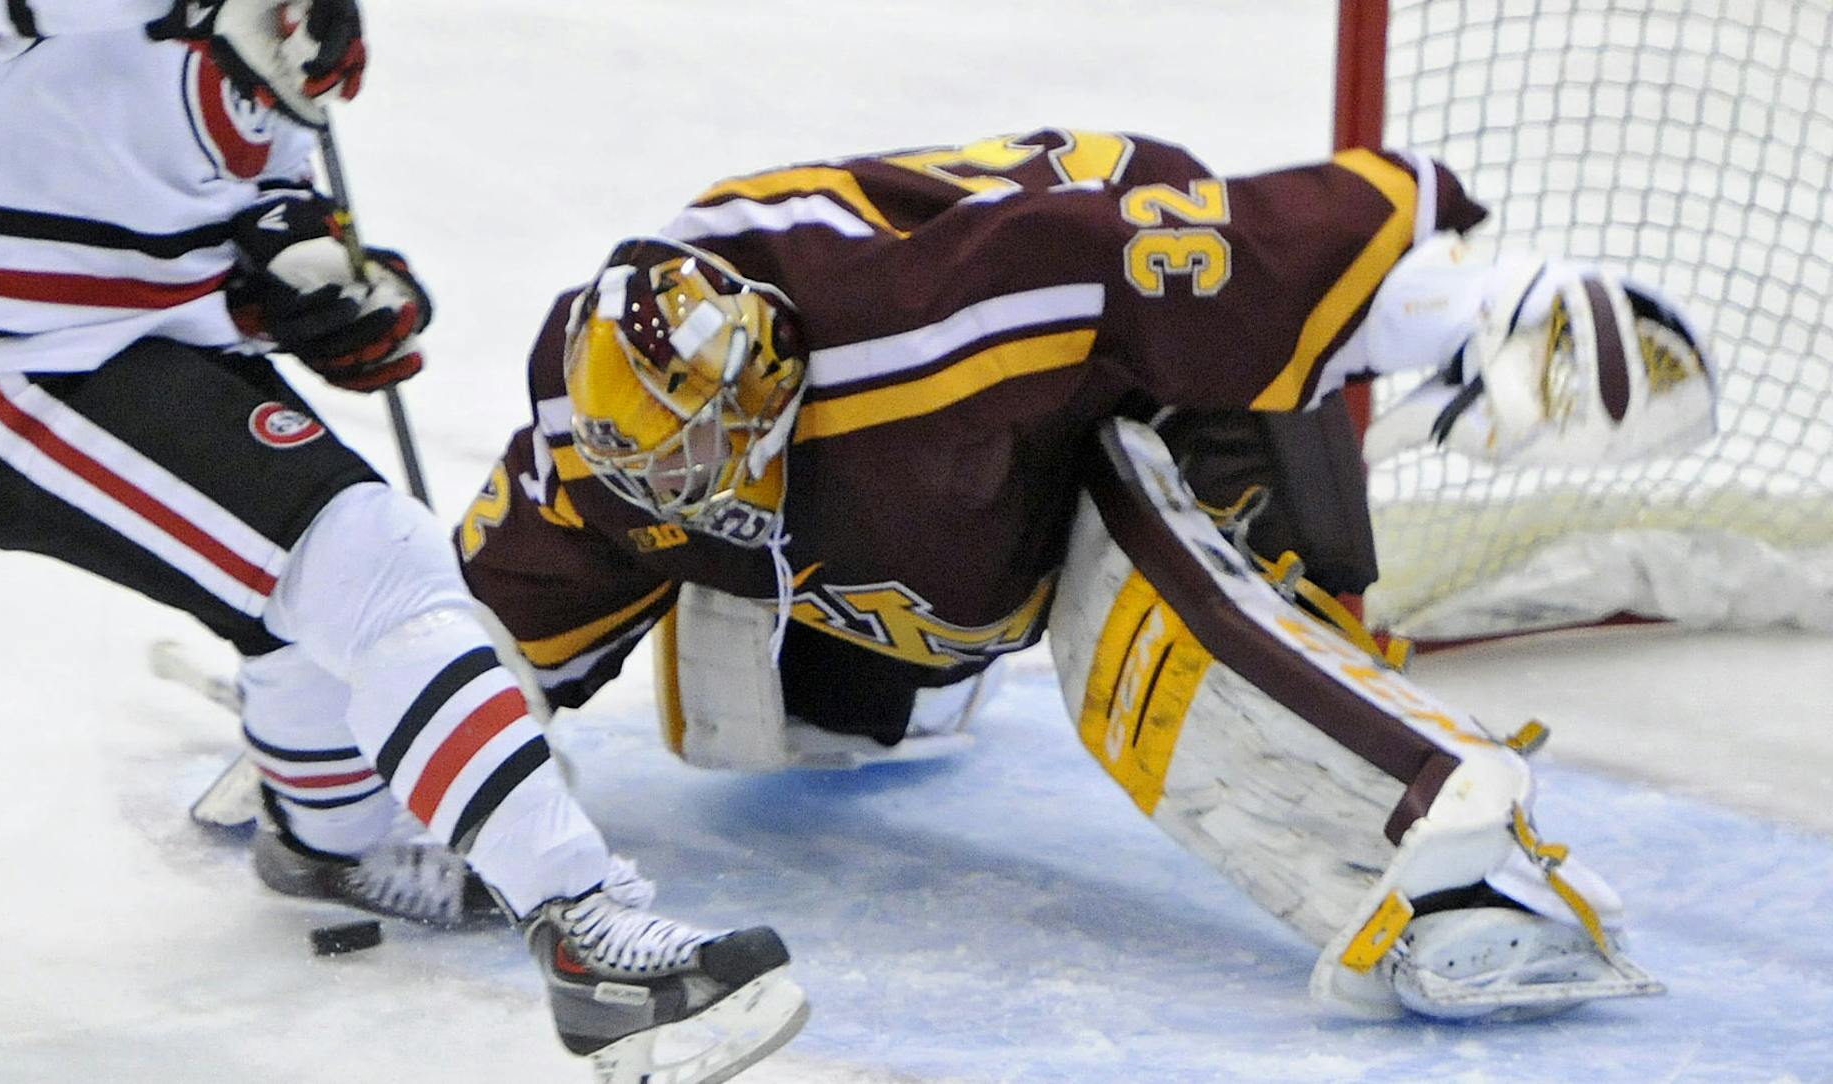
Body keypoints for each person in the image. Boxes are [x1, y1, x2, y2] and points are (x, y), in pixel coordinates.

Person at [0, 0, 807, 1082]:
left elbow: (267, 214)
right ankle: (595, 941)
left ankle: (339, 842)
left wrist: (327, 290)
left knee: (313, 600)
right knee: (376, 564)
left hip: (127, 344)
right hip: (6, 358)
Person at [454, 128, 1717, 1021]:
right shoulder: (595, 446)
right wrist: (353, 772)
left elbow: (1185, 250)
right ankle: (907, 677)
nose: (692, 484)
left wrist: (1472, 314)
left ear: (775, 374)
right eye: (658, 469)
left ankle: (1448, 853)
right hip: (950, 474)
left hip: (1150, 364)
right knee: (739, 692)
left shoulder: (932, 326)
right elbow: (472, 636)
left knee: (1161, 637)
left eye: (713, 448)